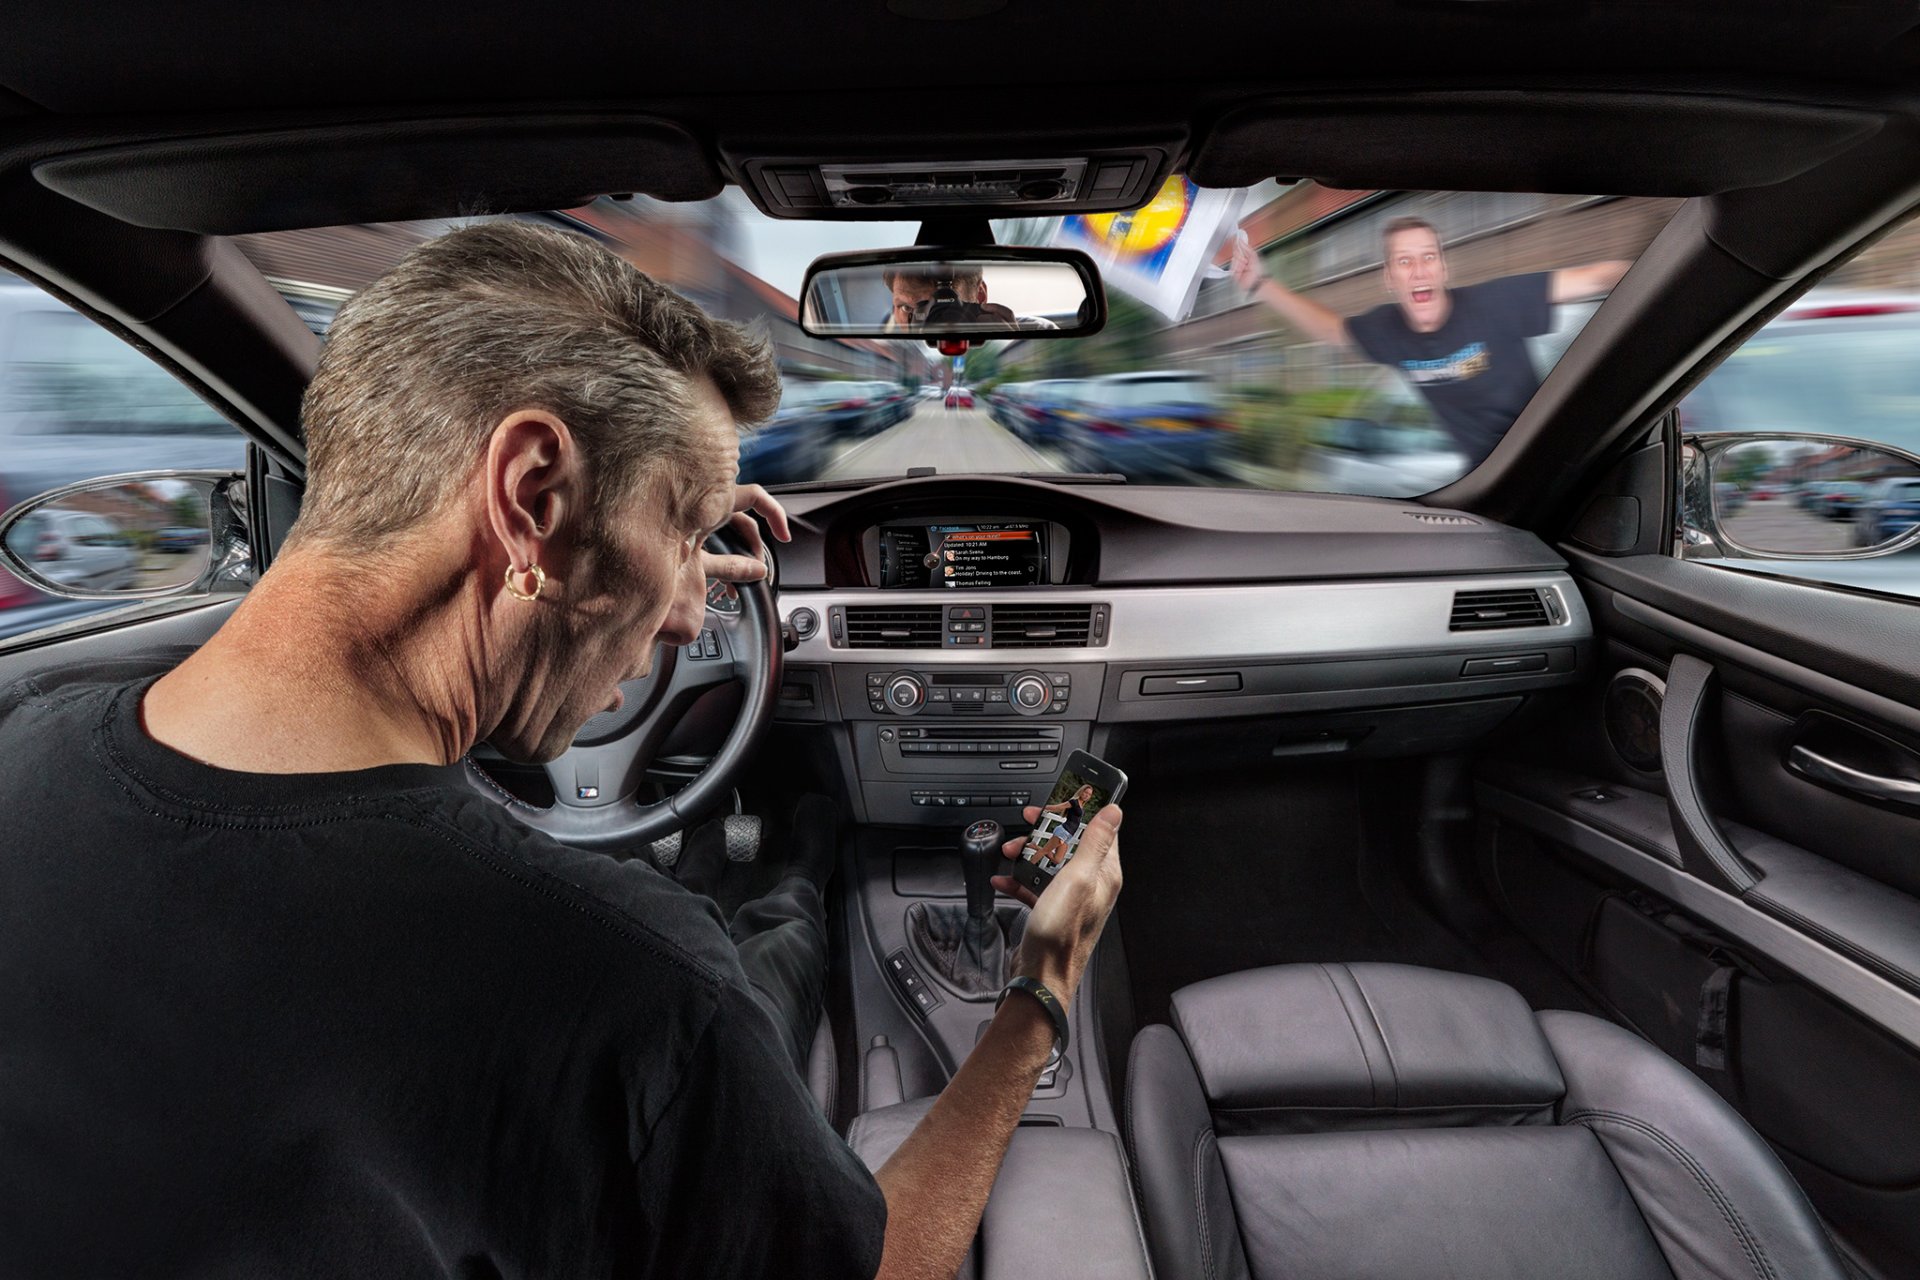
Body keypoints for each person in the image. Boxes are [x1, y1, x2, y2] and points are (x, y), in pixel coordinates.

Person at [0, 221, 1124, 1279]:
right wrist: (1037, 990)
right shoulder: (625, 988)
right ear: (531, 490)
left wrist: (640, 540)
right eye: (689, 526)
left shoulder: (27, 748)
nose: (689, 613)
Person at [1232, 216, 1631, 465]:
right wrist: (1261, 285)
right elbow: (1333, 331)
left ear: (1443, 269)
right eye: (1404, 261)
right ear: (1390, 279)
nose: (1418, 270)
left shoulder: (1494, 303)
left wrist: (1679, 262)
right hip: (1488, 480)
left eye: (1428, 257)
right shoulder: (1388, 331)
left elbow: (1594, 278)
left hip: (1559, 457)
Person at [1033, 783, 1095, 869]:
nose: (1087, 795)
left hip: (1068, 835)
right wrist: (1041, 807)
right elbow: (1058, 807)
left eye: (1089, 794)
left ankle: (1034, 846)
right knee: (1044, 851)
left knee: (1057, 860)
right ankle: (1028, 865)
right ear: (1081, 791)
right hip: (1064, 831)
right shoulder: (1074, 802)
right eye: (1086, 792)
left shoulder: (1081, 805)